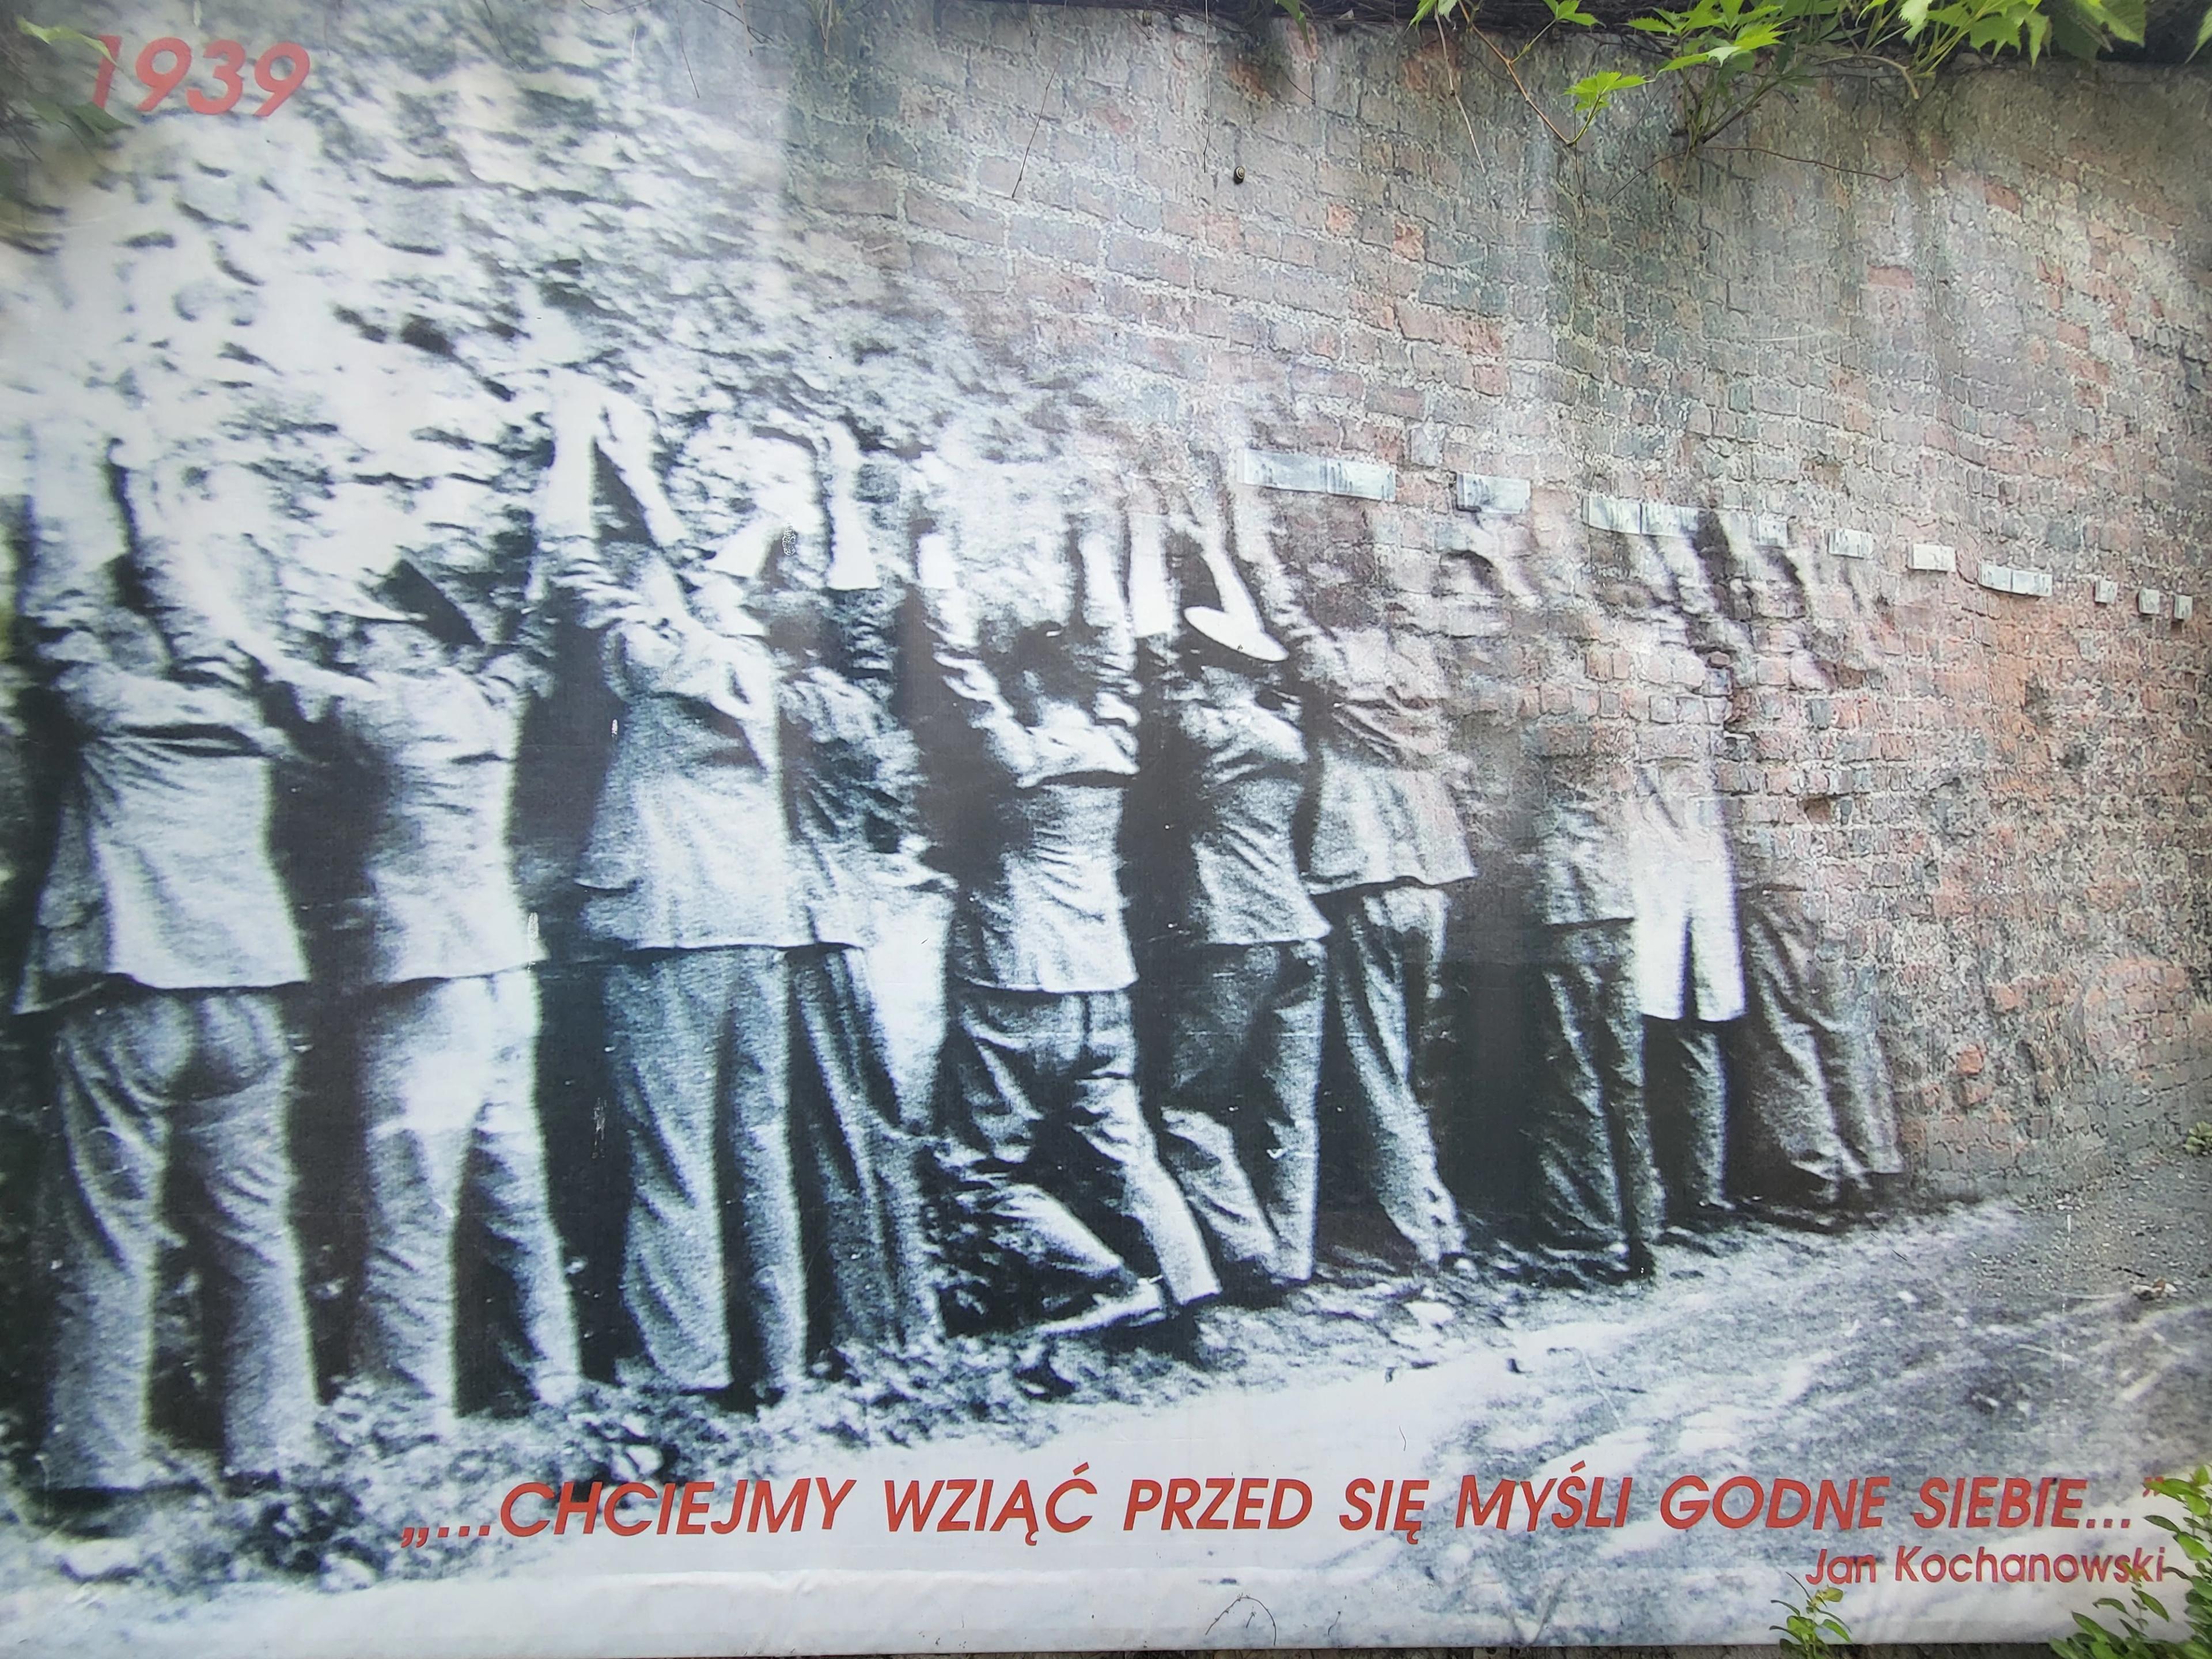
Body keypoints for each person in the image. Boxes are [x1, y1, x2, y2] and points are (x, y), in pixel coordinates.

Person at [17, 426, 318, 1529]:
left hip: (131, 993)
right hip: (244, 999)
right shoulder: (231, 716)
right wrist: (149, 501)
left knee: (111, 1227)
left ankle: (99, 1476)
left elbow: (49, 616)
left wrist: (50, 485)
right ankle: (273, 1452)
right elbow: (200, 625)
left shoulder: (103, 711)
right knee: (251, 1224)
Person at [547, 381, 808, 1402]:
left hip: (668, 935)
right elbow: (711, 579)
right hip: (756, 933)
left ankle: (679, 1377)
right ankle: (776, 1368)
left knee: (669, 1160)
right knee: (756, 1149)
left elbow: (574, 563)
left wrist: (576, 441)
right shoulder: (748, 663)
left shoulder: (654, 657)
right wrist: (644, 474)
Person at [281, 570, 580, 1432]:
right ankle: (552, 1393)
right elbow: (532, 639)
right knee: (514, 1191)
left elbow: (272, 674)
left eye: (365, 631)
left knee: (410, 1195)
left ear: (411, 641)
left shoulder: (387, 713)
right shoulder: (490, 701)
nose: (351, 645)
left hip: (426, 980)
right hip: (500, 975)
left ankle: (407, 1418)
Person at [916, 488, 1218, 1331]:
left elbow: (952, 657)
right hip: (1101, 975)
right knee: (1127, 1150)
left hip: (1014, 977)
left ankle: (1110, 1282)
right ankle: (1192, 1294)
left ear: (1021, 686)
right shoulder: (1113, 741)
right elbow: (1116, 656)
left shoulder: (1017, 754)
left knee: (978, 1165)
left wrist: (934, 545)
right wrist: (1095, 548)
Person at [1230, 483, 1472, 1270]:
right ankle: (1439, 1217)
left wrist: (1239, 511)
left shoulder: (1329, 666)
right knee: (1412, 1057)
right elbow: (1399, 594)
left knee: (1374, 1066)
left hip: (1363, 879)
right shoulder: (1421, 662)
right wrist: (1375, 514)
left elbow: (1278, 605)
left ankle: (1413, 1236)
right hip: (1430, 883)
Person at [1127, 489, 1328, 1301]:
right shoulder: (1285, 733)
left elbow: (1140, 646)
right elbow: (1259, 656)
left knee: (1186, 1105)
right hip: (1299, 929)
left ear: (1204, 673)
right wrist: (1214, 554)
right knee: (1290, 1108)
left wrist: (1145, 537)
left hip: (1231, 932)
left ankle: (1246, 1257)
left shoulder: (1201, 731)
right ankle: (1293, 1254)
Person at [774, 423, 939, 1356]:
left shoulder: (786, 704)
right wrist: (850, 503)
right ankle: (900, 1322)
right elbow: (869, 630)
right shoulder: (861, 707)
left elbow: (857, 621)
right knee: (862, 1121)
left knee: (830, 1128)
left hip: (803, 930)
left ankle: (867, 1333)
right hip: (851, 926)